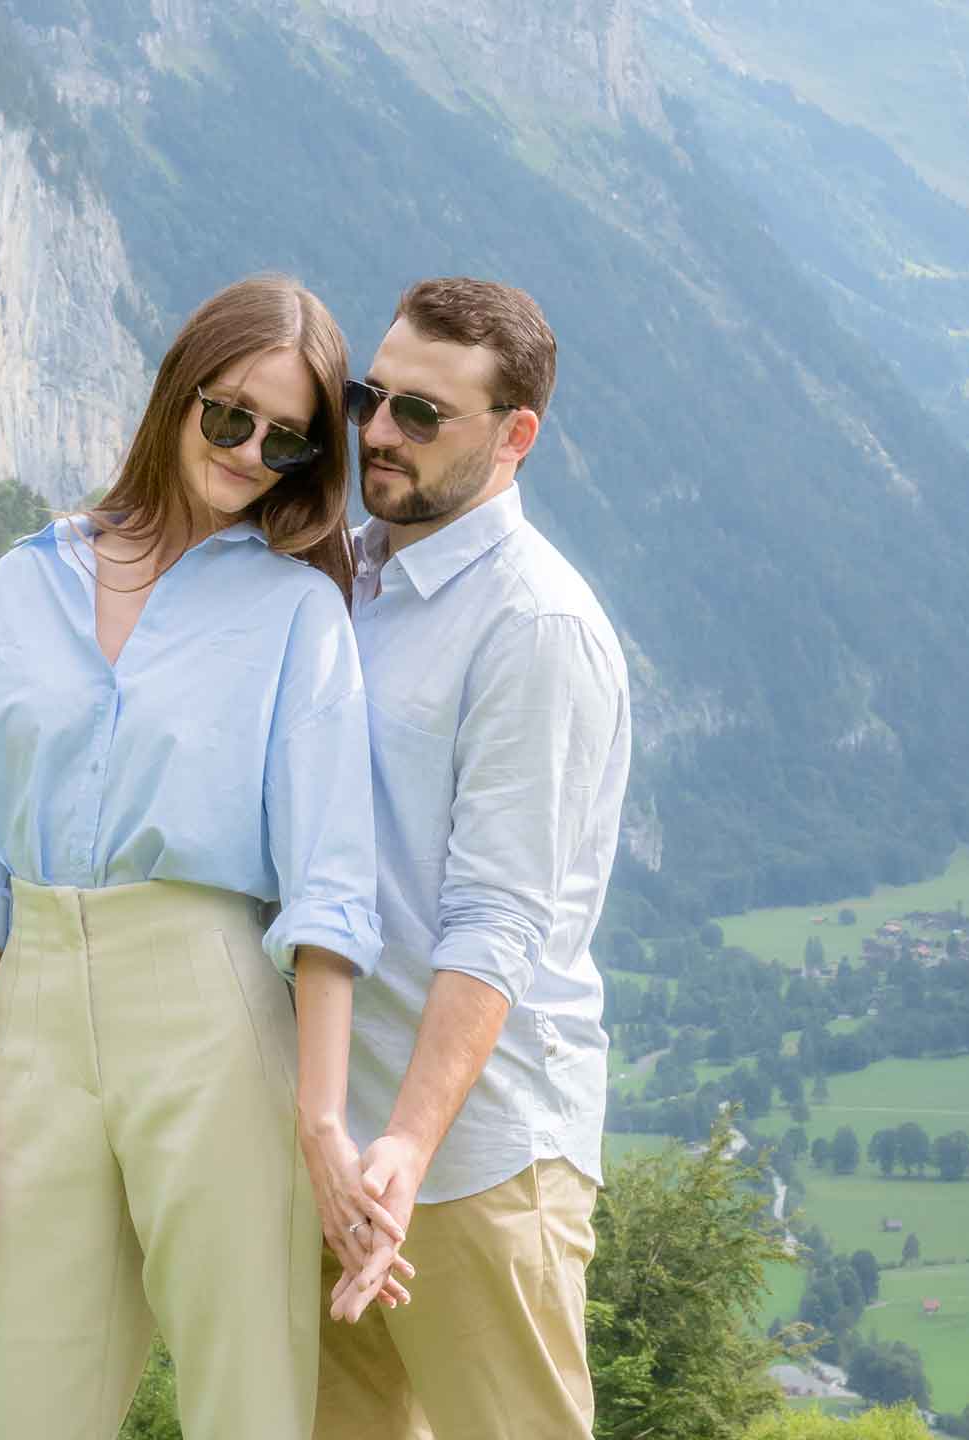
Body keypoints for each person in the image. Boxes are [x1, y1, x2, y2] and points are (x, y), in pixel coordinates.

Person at [0, 274, 404, 1440]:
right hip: (37, 1008)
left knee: (244, 1402)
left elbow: (330, 894)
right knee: (30, 1406)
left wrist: (322, 1124)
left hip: (209, 1006)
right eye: (227, 416)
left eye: (285, 441)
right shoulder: (28, 578)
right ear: (177, 392)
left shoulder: (296, 615)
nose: (248, 454)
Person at [315, 278, 631, 1439]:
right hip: (330, 1146)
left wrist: (405, 1140)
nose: (380, 433)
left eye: (422, 414)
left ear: (515, 437)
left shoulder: (533, 625)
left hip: (473, 1162)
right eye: (371, 399)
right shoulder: (342, 574)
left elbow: (500, 920)